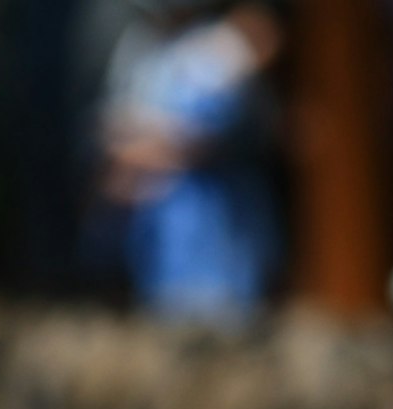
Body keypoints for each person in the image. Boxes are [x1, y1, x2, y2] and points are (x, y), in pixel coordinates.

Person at [99, 0, 283, 322]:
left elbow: (211, 138)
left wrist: (154, 149)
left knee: (222, 315)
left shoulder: (221, 50)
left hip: (213, 214)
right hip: (160, 217)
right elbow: (114, 129)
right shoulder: (143, 51)